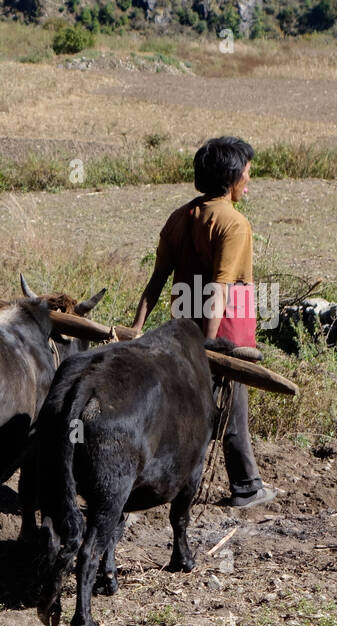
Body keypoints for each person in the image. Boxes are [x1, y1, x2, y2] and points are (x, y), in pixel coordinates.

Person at [132, 135, 278, 509]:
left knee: (190, 404)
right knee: (230, 408)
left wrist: (136, 329)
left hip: (183, 328)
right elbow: (220, 288)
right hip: (224, 330)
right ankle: (246, 486)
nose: (250, 181)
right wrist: (210, 349)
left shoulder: (180, 217)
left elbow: (157, 279)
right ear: (231, 178)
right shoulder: (234, 223)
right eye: (247, 173)